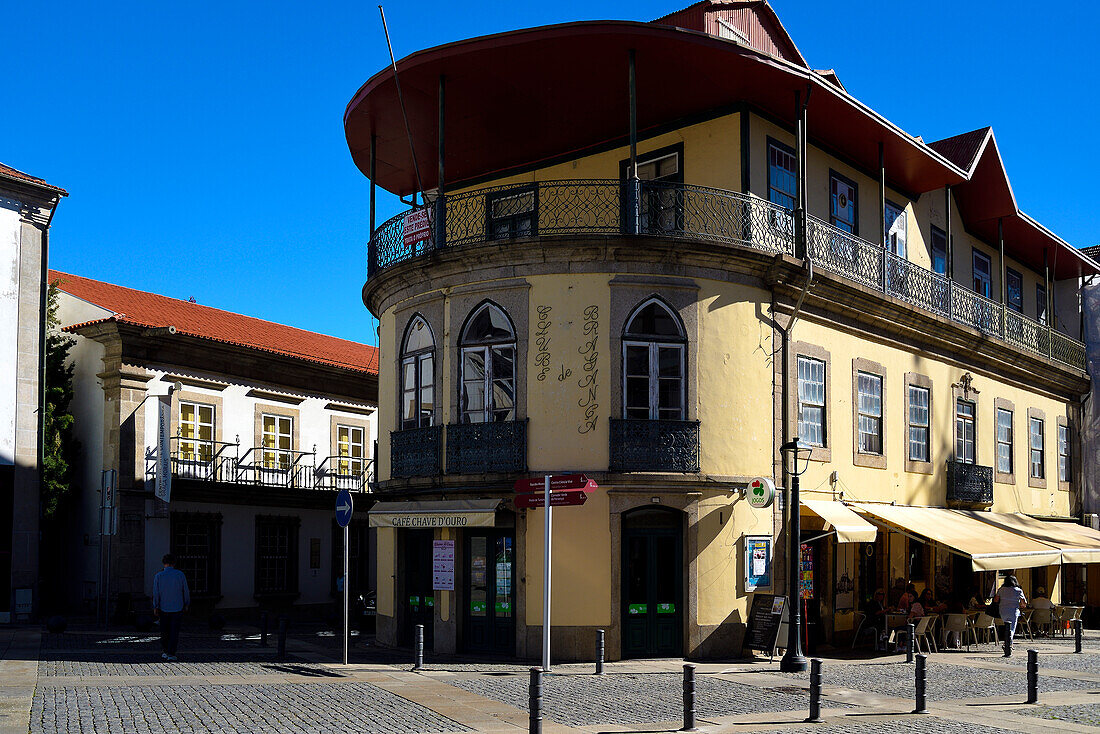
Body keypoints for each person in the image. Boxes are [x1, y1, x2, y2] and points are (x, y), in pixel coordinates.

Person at [152, 553, 190, 661]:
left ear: (164, 563)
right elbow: (185, 591)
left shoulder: (158, 576)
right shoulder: (180, 575)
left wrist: (156, 606)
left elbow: (156, 593)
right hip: (177, 607)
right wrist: (186, 603)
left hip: (163, 607)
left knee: (164, 631)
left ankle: (165, 650)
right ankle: (171, 652)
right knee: (174, 631)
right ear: (174, 563)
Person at [993, 575, 1027, 658]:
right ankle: (1008, 645)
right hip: (1013, 611)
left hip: (1003, 611)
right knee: (1012, 628)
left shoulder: (1001, 589)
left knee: (1007, 626)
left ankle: (1008, 644)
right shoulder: (1018, 590)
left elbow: (996, 600)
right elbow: (1024, 603)